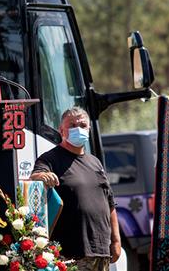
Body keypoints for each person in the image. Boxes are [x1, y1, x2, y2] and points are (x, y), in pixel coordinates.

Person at [30, 107, 121, 271]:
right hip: (71, 253)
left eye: (82, 125)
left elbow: (110, 204)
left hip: (101, 251)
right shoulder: (50, 159)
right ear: (61, 130)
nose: (78, 129)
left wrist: (116, 241)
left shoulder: (95, 162)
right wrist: (42, 176)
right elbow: (36, 176)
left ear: (89, 128)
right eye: (72, 125)